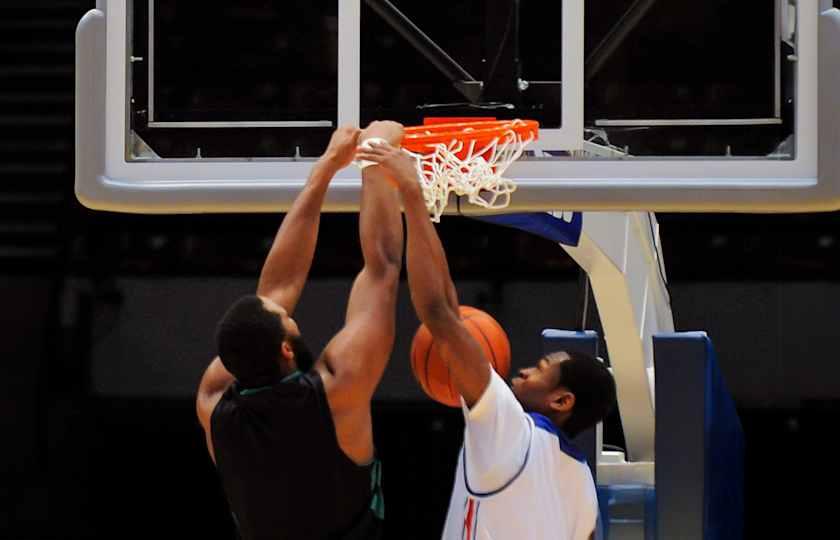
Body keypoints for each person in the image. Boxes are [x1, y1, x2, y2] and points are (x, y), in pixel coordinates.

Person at [356, 140, 617, 540]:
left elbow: (438, 313)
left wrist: (412, 194)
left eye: (541, 369)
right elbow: (446, 310)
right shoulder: (582, 483)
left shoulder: (511, 429)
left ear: (562, 400)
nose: (525, 370)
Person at [196, 122, 405, 540]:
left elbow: (276, 291)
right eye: (286, 317)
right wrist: (375, 157)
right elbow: (380, 269)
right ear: (286, 350)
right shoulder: (336, 392)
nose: (289, 308)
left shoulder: (212, 400)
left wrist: (327, 167)